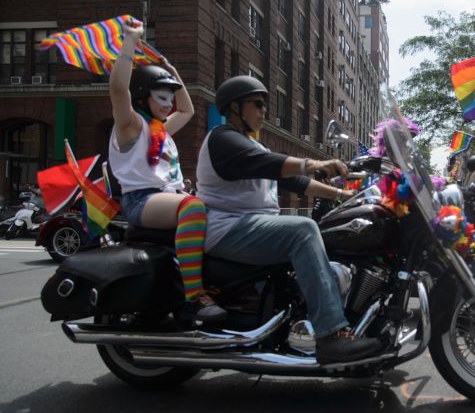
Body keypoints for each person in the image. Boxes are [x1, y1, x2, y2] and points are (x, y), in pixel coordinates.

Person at [196, 75, 381, 364]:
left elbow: (297, 182)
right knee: (303, 230)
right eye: (257, 104)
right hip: (228, 228)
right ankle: (331, 335)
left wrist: (346, 197)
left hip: (250, 226)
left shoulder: (251, 144)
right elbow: (272, 165)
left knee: (328, 231)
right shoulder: (223, 139)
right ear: (235, 107)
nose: (263, 110)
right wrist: (315, 163)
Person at [108, 19, 225, 322]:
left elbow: (188, 110)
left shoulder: (160, 129)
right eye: (161, 95)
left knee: (221, 210)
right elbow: (118, 88)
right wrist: (131, 43)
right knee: (193, 207)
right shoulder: (131, 125)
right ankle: (194, 294)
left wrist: (172, 72)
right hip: (141, 201)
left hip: (164, 198)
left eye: (170, 95)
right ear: (142, 96)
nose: (169, 102)